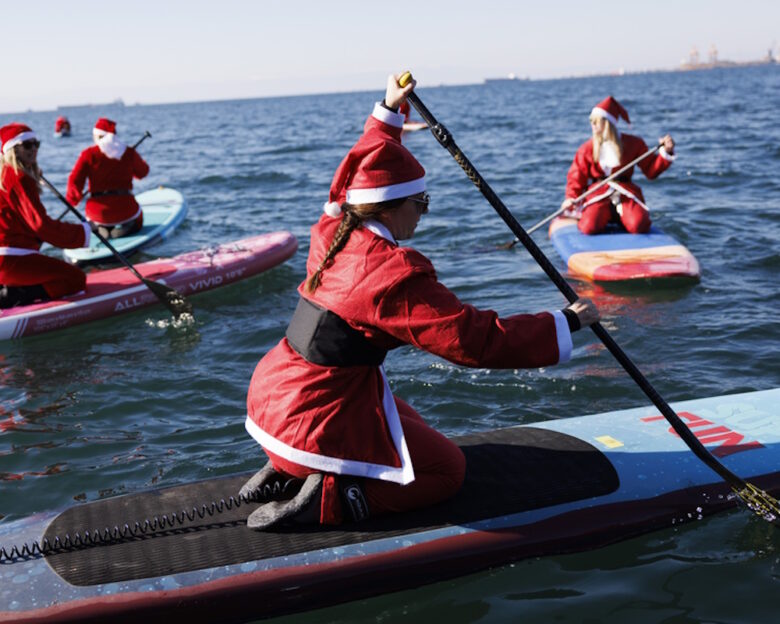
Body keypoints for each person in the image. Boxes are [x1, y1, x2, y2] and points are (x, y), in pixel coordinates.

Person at [240, 74, 600, 529]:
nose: (424, 213)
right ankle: (331, 497)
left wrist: (389, 110)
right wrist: (564, 323)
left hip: (274, 399)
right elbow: (472, 340)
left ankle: (293, 469)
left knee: (405, 416)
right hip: (311, 419)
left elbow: (357, 168)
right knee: (446, 469)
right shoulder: (392, 273)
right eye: (421, 203)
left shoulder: (334, 227)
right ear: (390, 208)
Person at [0, 123, 91, 309]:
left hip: (7, 259)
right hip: (12, 259)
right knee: (76, 279)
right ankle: (9, 295)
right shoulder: (18, 177)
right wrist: (84, 231)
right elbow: (41, 226)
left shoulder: (5, 176)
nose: (33, 149)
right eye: (27, 145)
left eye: (36, 144)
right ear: (13, 149)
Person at [561, 96, 676, 235]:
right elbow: (576, 176)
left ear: (608, 123)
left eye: (596, 121)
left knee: (639, 225)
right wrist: (571, 197)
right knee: (589, 227)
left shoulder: (634, 143)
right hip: (598, 193)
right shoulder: (586, 149)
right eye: (591, 121)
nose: (592, 124)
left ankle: (621, 215)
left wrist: (666, 152)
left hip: (625, 193)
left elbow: (650, 170)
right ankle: (603, 215)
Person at [66, 118, 149, 239]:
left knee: (99, 219)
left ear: (98, 136)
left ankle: (102, 228)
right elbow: (143, 172)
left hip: (97, 214)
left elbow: (74, 181)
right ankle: (122, 228)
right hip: (126, 210)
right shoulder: (128, 152)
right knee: (137, 218)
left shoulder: (88, 154)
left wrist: (74, 200)